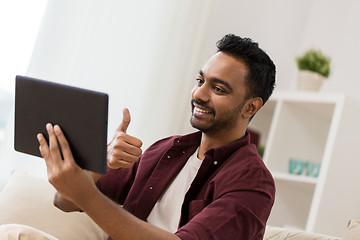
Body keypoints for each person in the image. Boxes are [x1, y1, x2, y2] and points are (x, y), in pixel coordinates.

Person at [35, 33, 276, 240]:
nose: (199, 94)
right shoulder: (167, 150)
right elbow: (65, 202)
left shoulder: (253, 182)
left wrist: (85, 194)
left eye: (218, 89)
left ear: (250, 107)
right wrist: (102, 162)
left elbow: (82, 196)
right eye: (200, 81)